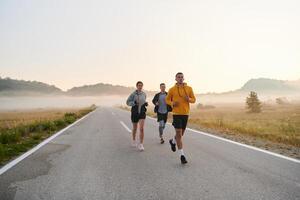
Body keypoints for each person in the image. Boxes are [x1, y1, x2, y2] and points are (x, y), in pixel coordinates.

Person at [165, 72, 196, 164]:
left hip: (185, 113)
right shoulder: (172, 89)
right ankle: (182, 155)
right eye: (178, 77)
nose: (180, 78)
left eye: (182, 77)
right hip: (176, 113)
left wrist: (189, 99)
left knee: (181, 134)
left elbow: (194, 100)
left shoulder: (189, 88)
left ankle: (173, 141)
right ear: (175, 79)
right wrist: (172, 103)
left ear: (184, 78)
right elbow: (167, 99)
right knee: (178, 132)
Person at [126, 81, 148, 151]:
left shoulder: (144, 94)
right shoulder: (133, 94)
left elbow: (144, 101)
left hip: (142, 112)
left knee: (141, 128)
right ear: (136, 86)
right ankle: (133, 140)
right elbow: (127, 102)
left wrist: (145, 104)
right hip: (135, 112)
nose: (140, 87)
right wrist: (134, 103)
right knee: (135, 128)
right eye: (139, 85)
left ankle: (141, 144)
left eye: (141, 85)